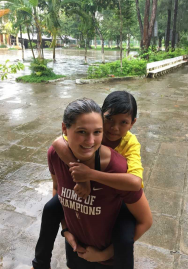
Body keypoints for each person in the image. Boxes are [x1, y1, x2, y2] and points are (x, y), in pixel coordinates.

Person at [32, 92, 150, 269]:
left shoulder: (129, 144)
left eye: (123, 122)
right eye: (109, 120)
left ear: (132, 123)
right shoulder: (90, 132)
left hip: (119, 190)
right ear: (101, 116)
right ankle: (39, 264)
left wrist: (90, 175)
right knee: (51, 208)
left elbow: (134, 182)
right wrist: (83, 181)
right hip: (82, 192)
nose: (114, 128)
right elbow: (57, 143)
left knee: (124, 237)